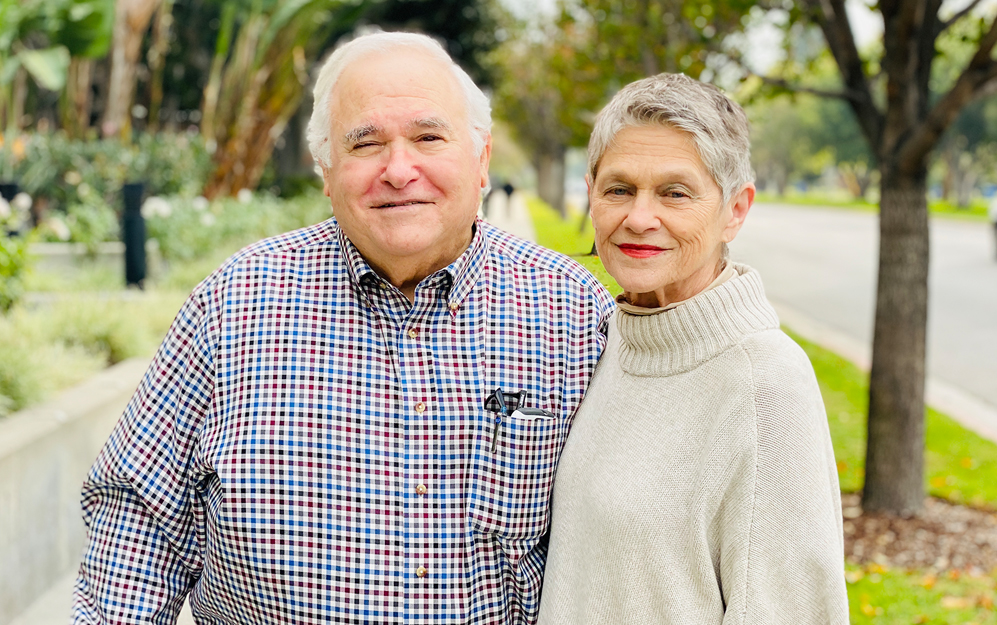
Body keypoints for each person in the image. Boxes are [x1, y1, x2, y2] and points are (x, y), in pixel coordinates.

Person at [73, 31, 614, 624]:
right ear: (327, 173)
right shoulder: (235, 304)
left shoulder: (571, 311)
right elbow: (138, 521)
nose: (399, 170)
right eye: (365, 144)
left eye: (429, 137)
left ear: (481, 160)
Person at [537, 73, 849, 624]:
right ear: (591, 196)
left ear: (735, 210)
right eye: (619, 189)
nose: (639, 218)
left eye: (675, 193)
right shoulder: (607, 343)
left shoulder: (765, 383)